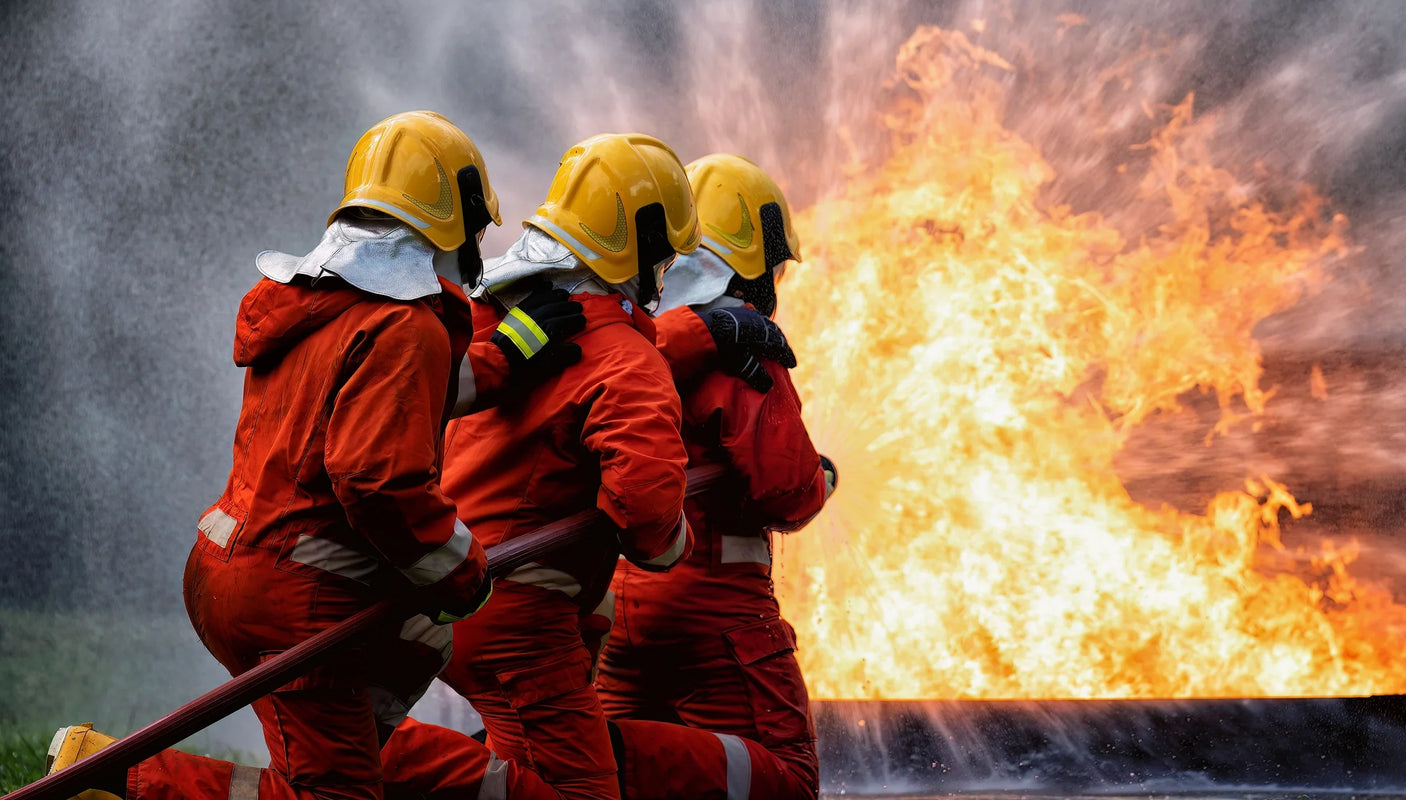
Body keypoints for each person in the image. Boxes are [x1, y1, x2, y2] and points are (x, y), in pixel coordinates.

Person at [45, 110, 585, 800]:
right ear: (449, 223)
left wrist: (510, 353)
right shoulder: (407, 325)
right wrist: (461, 570)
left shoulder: (321, 304)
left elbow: (394, 398)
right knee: (337, 792)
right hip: (297, 594)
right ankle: (123, 783)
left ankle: (110, 775)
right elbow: (375, 476)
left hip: (228, 568)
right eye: (475, 231)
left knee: (392, 678)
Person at [412, 133, 699, 800]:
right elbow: (651, 529)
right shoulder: (628, 361)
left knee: (520, 781)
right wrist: (680, 530)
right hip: (517, 622)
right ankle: (364, 764)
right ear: (644, 243)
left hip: (449, 591)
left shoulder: (503, 318)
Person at [598, 154, 838, 800]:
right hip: (715, 614)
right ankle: (606, 752)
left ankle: (594, 750)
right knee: (784, 776)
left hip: (621, 607)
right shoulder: (741, 344)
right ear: (752, 261)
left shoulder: (630, 332)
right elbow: (784, 491)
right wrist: (824, 481)